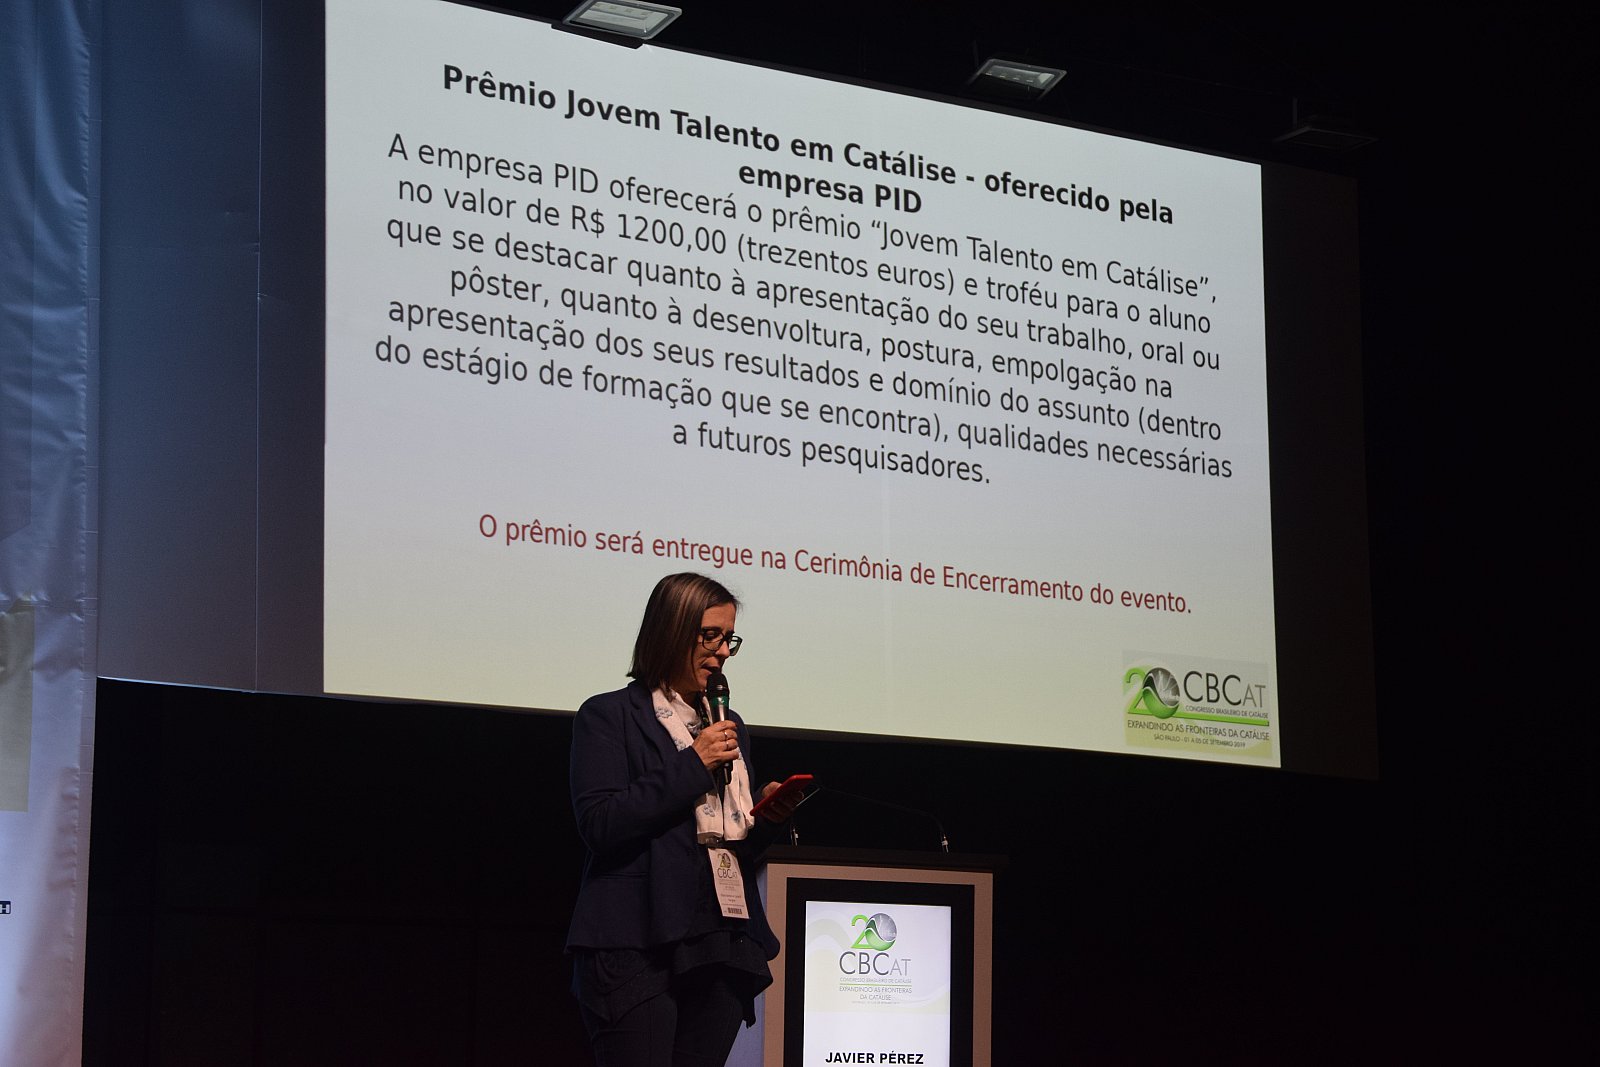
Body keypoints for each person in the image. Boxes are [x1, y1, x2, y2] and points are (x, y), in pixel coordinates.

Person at [567, 573, 801, 1067]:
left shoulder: (727, 725)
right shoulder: (609, 716)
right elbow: (601, 824)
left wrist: (767, 816)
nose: (723, 652)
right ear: (671, 630)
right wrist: (693, 764)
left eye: (729, 638)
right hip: (637, 942)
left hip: (720, 939)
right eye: (710, 636)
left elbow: (728, 846)